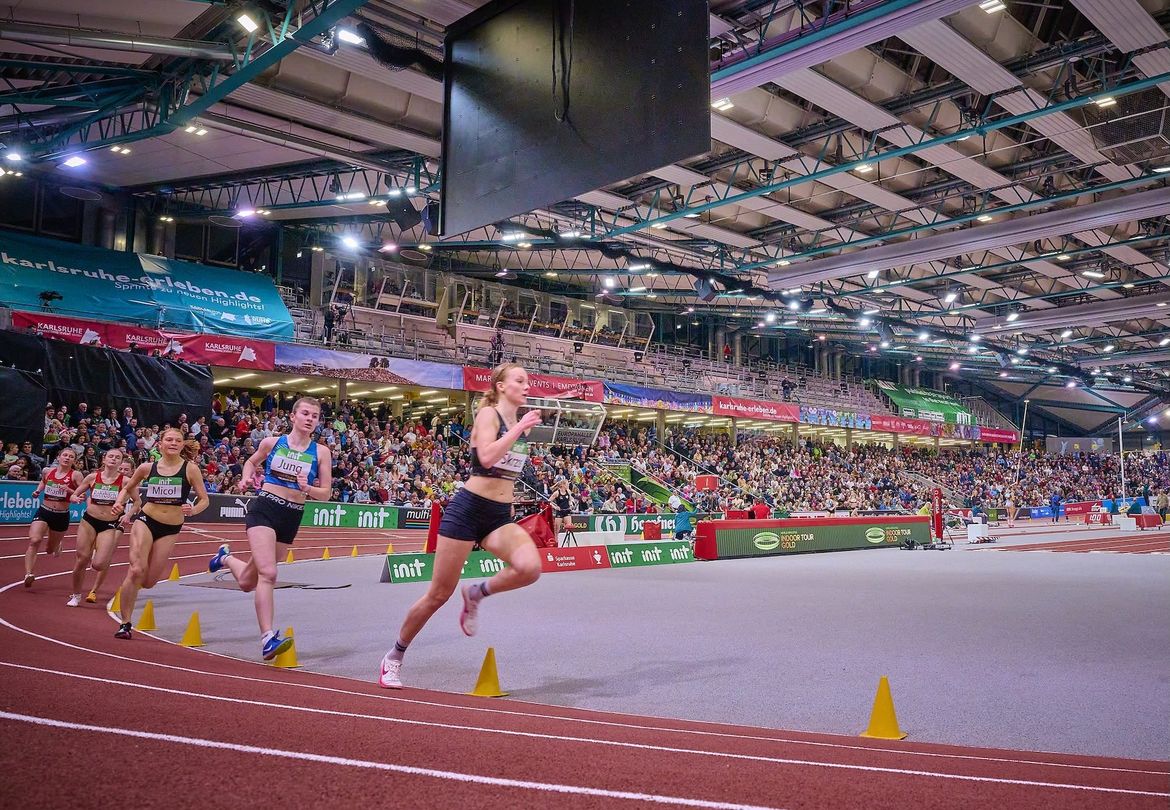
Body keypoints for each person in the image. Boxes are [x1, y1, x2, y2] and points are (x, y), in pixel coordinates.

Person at [379, 363, 543, 689]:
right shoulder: (489, 416)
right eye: (520, 380)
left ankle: (476, 593)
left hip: (498, 516)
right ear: (500, 386)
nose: (527, 386)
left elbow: (506, 473)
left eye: (528, 381)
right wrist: (517, 429)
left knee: (530, 568)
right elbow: (485, 458)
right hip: (467, 511)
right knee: (438, 594)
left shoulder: (518, 426)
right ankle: (393, 658)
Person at [209, 397, 333, 660]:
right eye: (306, 413)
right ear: (293, 417)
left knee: (247, 582)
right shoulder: (272, 443)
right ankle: (267, 638)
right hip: (265, 508)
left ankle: (226, 557)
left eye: (315, 415)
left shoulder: (321, 452)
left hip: (292, 516)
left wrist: (307, 488)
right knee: (269, 573)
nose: (310, 419)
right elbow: (251, 462)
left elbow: (326, 493)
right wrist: (245, 477)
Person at [110, 428, 208, 639]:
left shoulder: (190, 469)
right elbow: (128, 488)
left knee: (149, 581)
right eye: (169, 439)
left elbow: (204, 499)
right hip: (146, 520)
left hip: (171, 528)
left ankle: (130, 599)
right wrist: (119, 502)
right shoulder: (147, 468)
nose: (173, 443)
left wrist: (193, 510)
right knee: (136, 570)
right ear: (160, 444)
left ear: (183, 445)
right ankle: (125, 624)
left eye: (178, 440)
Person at [66, 448, 127, 607]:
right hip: (89, 521)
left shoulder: (125, 481)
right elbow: (74, 494)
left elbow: (138, 501)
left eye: (117, 458)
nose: (113, 459)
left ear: (121, 462)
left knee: (98, 564)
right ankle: (76, 595)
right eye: (111, 456)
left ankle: (97, 551)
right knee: (81, 560)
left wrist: (126, 512)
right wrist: (74, 497)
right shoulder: (92, 477)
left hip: (108, 524)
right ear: (104, 459)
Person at [23, 447, 83, 588]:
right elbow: (44, 482)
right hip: (44, 511)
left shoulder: (76, 475)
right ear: (59, 457)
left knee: (50, 550)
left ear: (74, 460)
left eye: (71, 456)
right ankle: (29, 573)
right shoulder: (48, 471)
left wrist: (69, 491)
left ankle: (57, 544)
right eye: (65, 455)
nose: (67, 458)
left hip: (61, 515)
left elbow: (82, 494)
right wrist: (38, 491)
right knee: (34, 540)